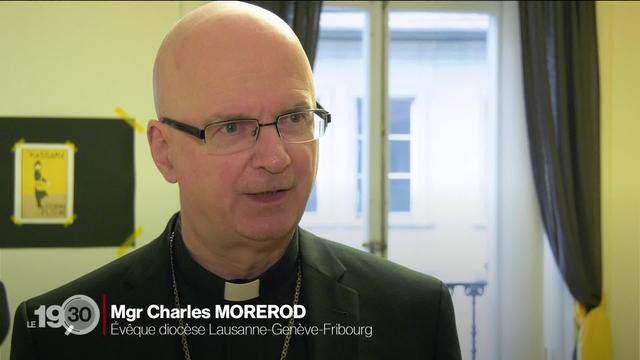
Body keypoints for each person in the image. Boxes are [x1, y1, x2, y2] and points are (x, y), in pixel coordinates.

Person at [10, 2, 461, 359]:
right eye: (231, 127)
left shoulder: (416, 315)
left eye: (296, 118)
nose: (276, 157)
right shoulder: (59, 335)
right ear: (164, 152)